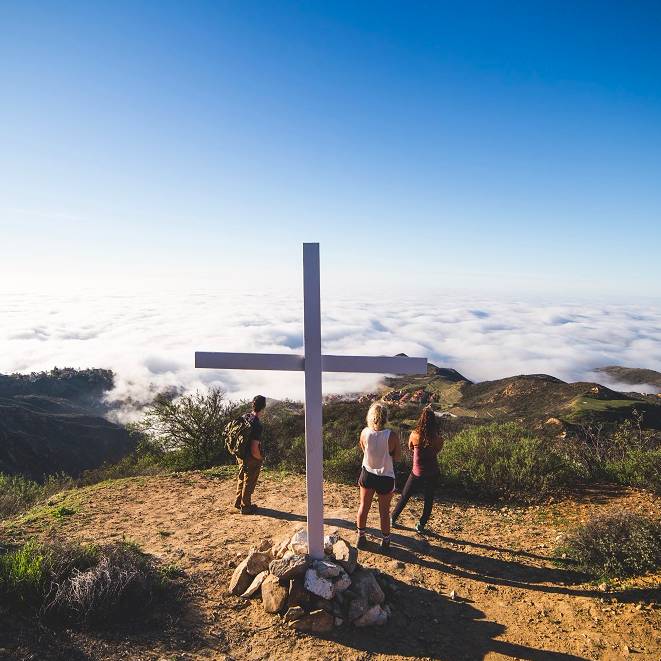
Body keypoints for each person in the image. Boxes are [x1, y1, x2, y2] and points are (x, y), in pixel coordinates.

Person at [391, 405, 443, 533]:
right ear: (434, 422)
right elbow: (436, 451)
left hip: (417, 472)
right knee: (428, 499)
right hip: (432, 472)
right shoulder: (438, 439)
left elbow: (410, 447)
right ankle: (421, 525)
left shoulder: (414, 435)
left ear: (421, 419)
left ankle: (392, 518)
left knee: (405, 496)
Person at [356, 401, 401, 550]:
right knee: (384, 511)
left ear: (371, 416)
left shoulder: (364, 432)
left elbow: (364, 450)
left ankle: (361, 537)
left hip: (368, 473)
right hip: (386, 476)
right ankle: (386, 540)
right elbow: (397, 458)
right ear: (385, 417)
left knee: (364, 506)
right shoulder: (392, 436)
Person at [234, 395, 266, 515]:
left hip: (240, 454)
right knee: (249, 481)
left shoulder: (245, 416)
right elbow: (254, 447)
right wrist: (259, 458)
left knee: (242, 477)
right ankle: (246, 506)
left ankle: (238, 502)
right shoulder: (257, 425)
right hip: (250, 456)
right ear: (263, 407)